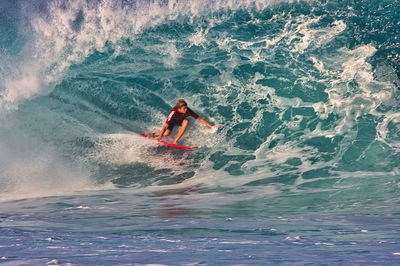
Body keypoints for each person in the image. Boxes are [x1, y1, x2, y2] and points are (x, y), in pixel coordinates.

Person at [145, 99, 219, 144]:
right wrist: (160, 136)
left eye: (186, 108)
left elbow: (199, 119)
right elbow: (165, 125)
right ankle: (152, 134)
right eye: (184, 108)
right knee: (166, 134)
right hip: (173, 122)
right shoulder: (173, 112)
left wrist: (211, 126)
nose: (186, 110)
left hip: (180, 121)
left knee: (186, 121)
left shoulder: (188, 111)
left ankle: (175, 141)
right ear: (179, 109)